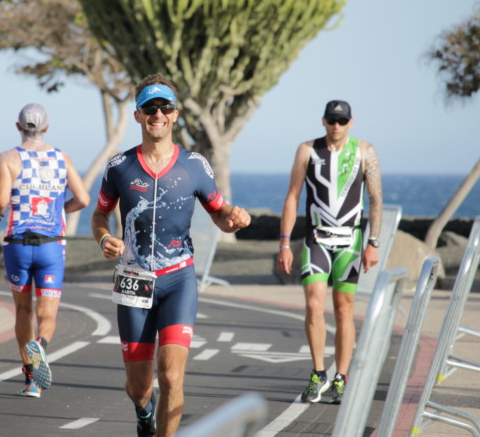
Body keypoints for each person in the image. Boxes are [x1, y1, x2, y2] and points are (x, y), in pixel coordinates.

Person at [91, 74, 252, 437]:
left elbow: (220, 214)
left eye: (165, 107)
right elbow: (100, 214)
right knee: (139, 388)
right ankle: (144, 415)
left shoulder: (195, 165)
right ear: (138, 116)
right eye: (150, 108)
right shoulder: (119, 166)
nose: (158, 114)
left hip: (179, 278)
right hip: (134, 280)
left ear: (175, 115)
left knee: (172, 375)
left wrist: (236, 219)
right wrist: (104, 238)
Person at [277, 99, 383, 404]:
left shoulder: (365, 151)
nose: (336, 126)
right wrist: (284, 243)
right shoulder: (307, 150)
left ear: (350, 123)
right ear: (323, 121)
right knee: (313, 305)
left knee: (344, 309)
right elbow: (292, 196)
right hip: (316, 240)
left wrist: (373, 243)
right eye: (331, 120)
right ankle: (318, 372)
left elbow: (375, 200)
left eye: (341, 121)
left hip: (350, 241)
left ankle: (341, 377)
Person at [0, 103, 89, 398]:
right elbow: (83, 198)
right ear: (47, 128)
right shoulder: (62, 157)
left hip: (17, 244)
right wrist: (58, 211)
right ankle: (41, 345)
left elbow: (1, 201)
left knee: (22, 309)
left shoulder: (8, 158)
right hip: (51, 246)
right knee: (48, 314)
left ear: (18, 127)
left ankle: (31, 379)